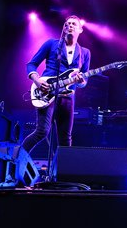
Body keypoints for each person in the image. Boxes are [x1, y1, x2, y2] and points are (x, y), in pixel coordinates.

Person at [22, 15, 91, 155]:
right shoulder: (51, 44)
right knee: (42, 131)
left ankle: (63, 168)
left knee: (65, 138)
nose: (70, 25)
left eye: (73, 24)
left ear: (80, 30)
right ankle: (17, 159)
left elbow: (84, 81)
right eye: (67, 24)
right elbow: (31, 64)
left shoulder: (85, 52)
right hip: (47, 92)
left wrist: (81, 81)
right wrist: (37, 80)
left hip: (68, 97)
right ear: (64, 28)